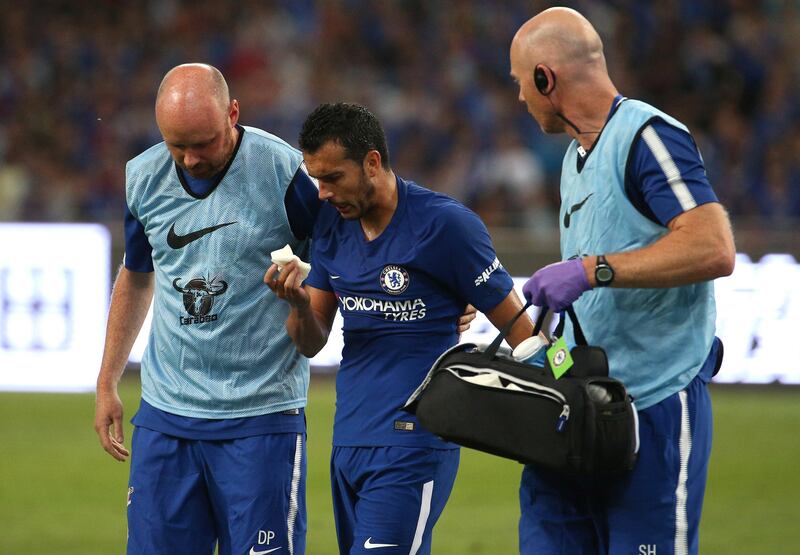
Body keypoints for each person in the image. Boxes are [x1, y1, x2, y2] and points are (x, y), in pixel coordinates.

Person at [509, 8, 736, 555]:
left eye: (521, 83)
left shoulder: (647, 135)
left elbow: (713, 246)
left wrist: (591, 270)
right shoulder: (573, 159)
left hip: (653, 406)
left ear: (546, 78)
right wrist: (553, 349)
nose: (519, 98)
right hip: (584, 405)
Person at [265, 102, 533, 555]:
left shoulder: (446, 225)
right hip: (349, 439)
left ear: (372, 162)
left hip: (415, 442)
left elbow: (521, 328)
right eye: (317, 179)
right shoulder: (332, 225)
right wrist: (295, 303)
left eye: (333, 178)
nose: (324, 193)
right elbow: (311, 341)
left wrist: (569, 381)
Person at [93, 63, 324, 555]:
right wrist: (107, 380)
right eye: (177, 145)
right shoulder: (143, 178)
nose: (191, 159)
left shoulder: (283, 172)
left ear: (233, 113)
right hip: (165, 416)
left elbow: (342, 250)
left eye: (203, 142)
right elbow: (136, 276)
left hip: (260, 417)